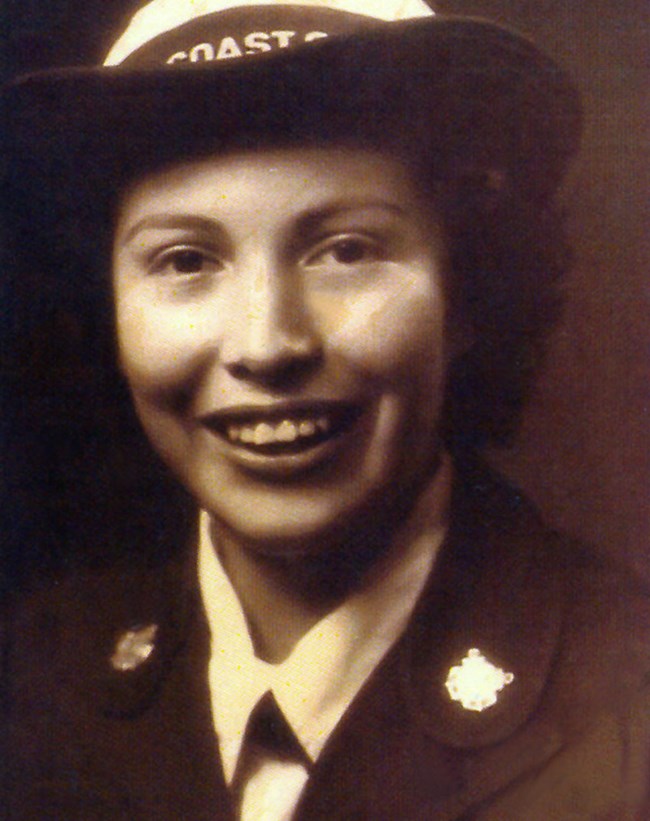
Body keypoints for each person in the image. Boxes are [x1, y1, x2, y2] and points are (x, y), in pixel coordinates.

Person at [1, 1, 649, 818]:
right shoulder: (32, 677)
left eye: (347, 249)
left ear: (470, 292)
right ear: (113, 310)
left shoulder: (629, 707)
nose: (269, 344)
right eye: (186, 259)